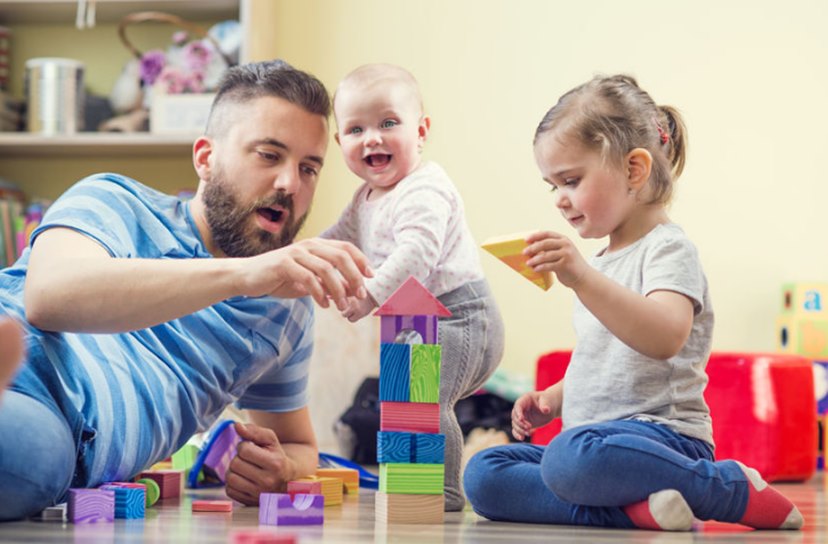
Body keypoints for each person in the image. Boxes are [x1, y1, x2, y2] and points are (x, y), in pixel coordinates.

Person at [0, 60, 373, 521]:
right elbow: (48, 297)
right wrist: (242, 274)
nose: (289, 184)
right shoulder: (114, 199)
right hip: (20, 350)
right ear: (205, 158)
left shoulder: (284, 308)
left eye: (309, 168)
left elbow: (301, 446)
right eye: (269, 155)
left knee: (30, 457)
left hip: (59, 432)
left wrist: (280, 468)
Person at [462, 74, 803, 531]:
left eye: (571, 180)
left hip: (664, 441)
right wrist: (554, 399)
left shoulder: (667, 249)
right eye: (552, 186)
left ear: (633, 170)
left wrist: (581, 276)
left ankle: (722, 487)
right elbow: (603, 356)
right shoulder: (600, 263)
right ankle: (637, 513)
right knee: (484, 474)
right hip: (595, 442)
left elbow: (664, 337)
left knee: (568, 460)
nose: (560, 201)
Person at [321, 63, 505, 511]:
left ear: (420, 131)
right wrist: (297, 259)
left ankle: (442, 491)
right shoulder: (364, 199)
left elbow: (416, 255)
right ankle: (407, 485)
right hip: (412, 317)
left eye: (388, 123)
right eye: (356, 129)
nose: (373, 138)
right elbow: (334, 241)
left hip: (462, 316)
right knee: (399, 403)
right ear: (340, 141)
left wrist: (368, 293)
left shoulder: (425, 188)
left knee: (427, 399)